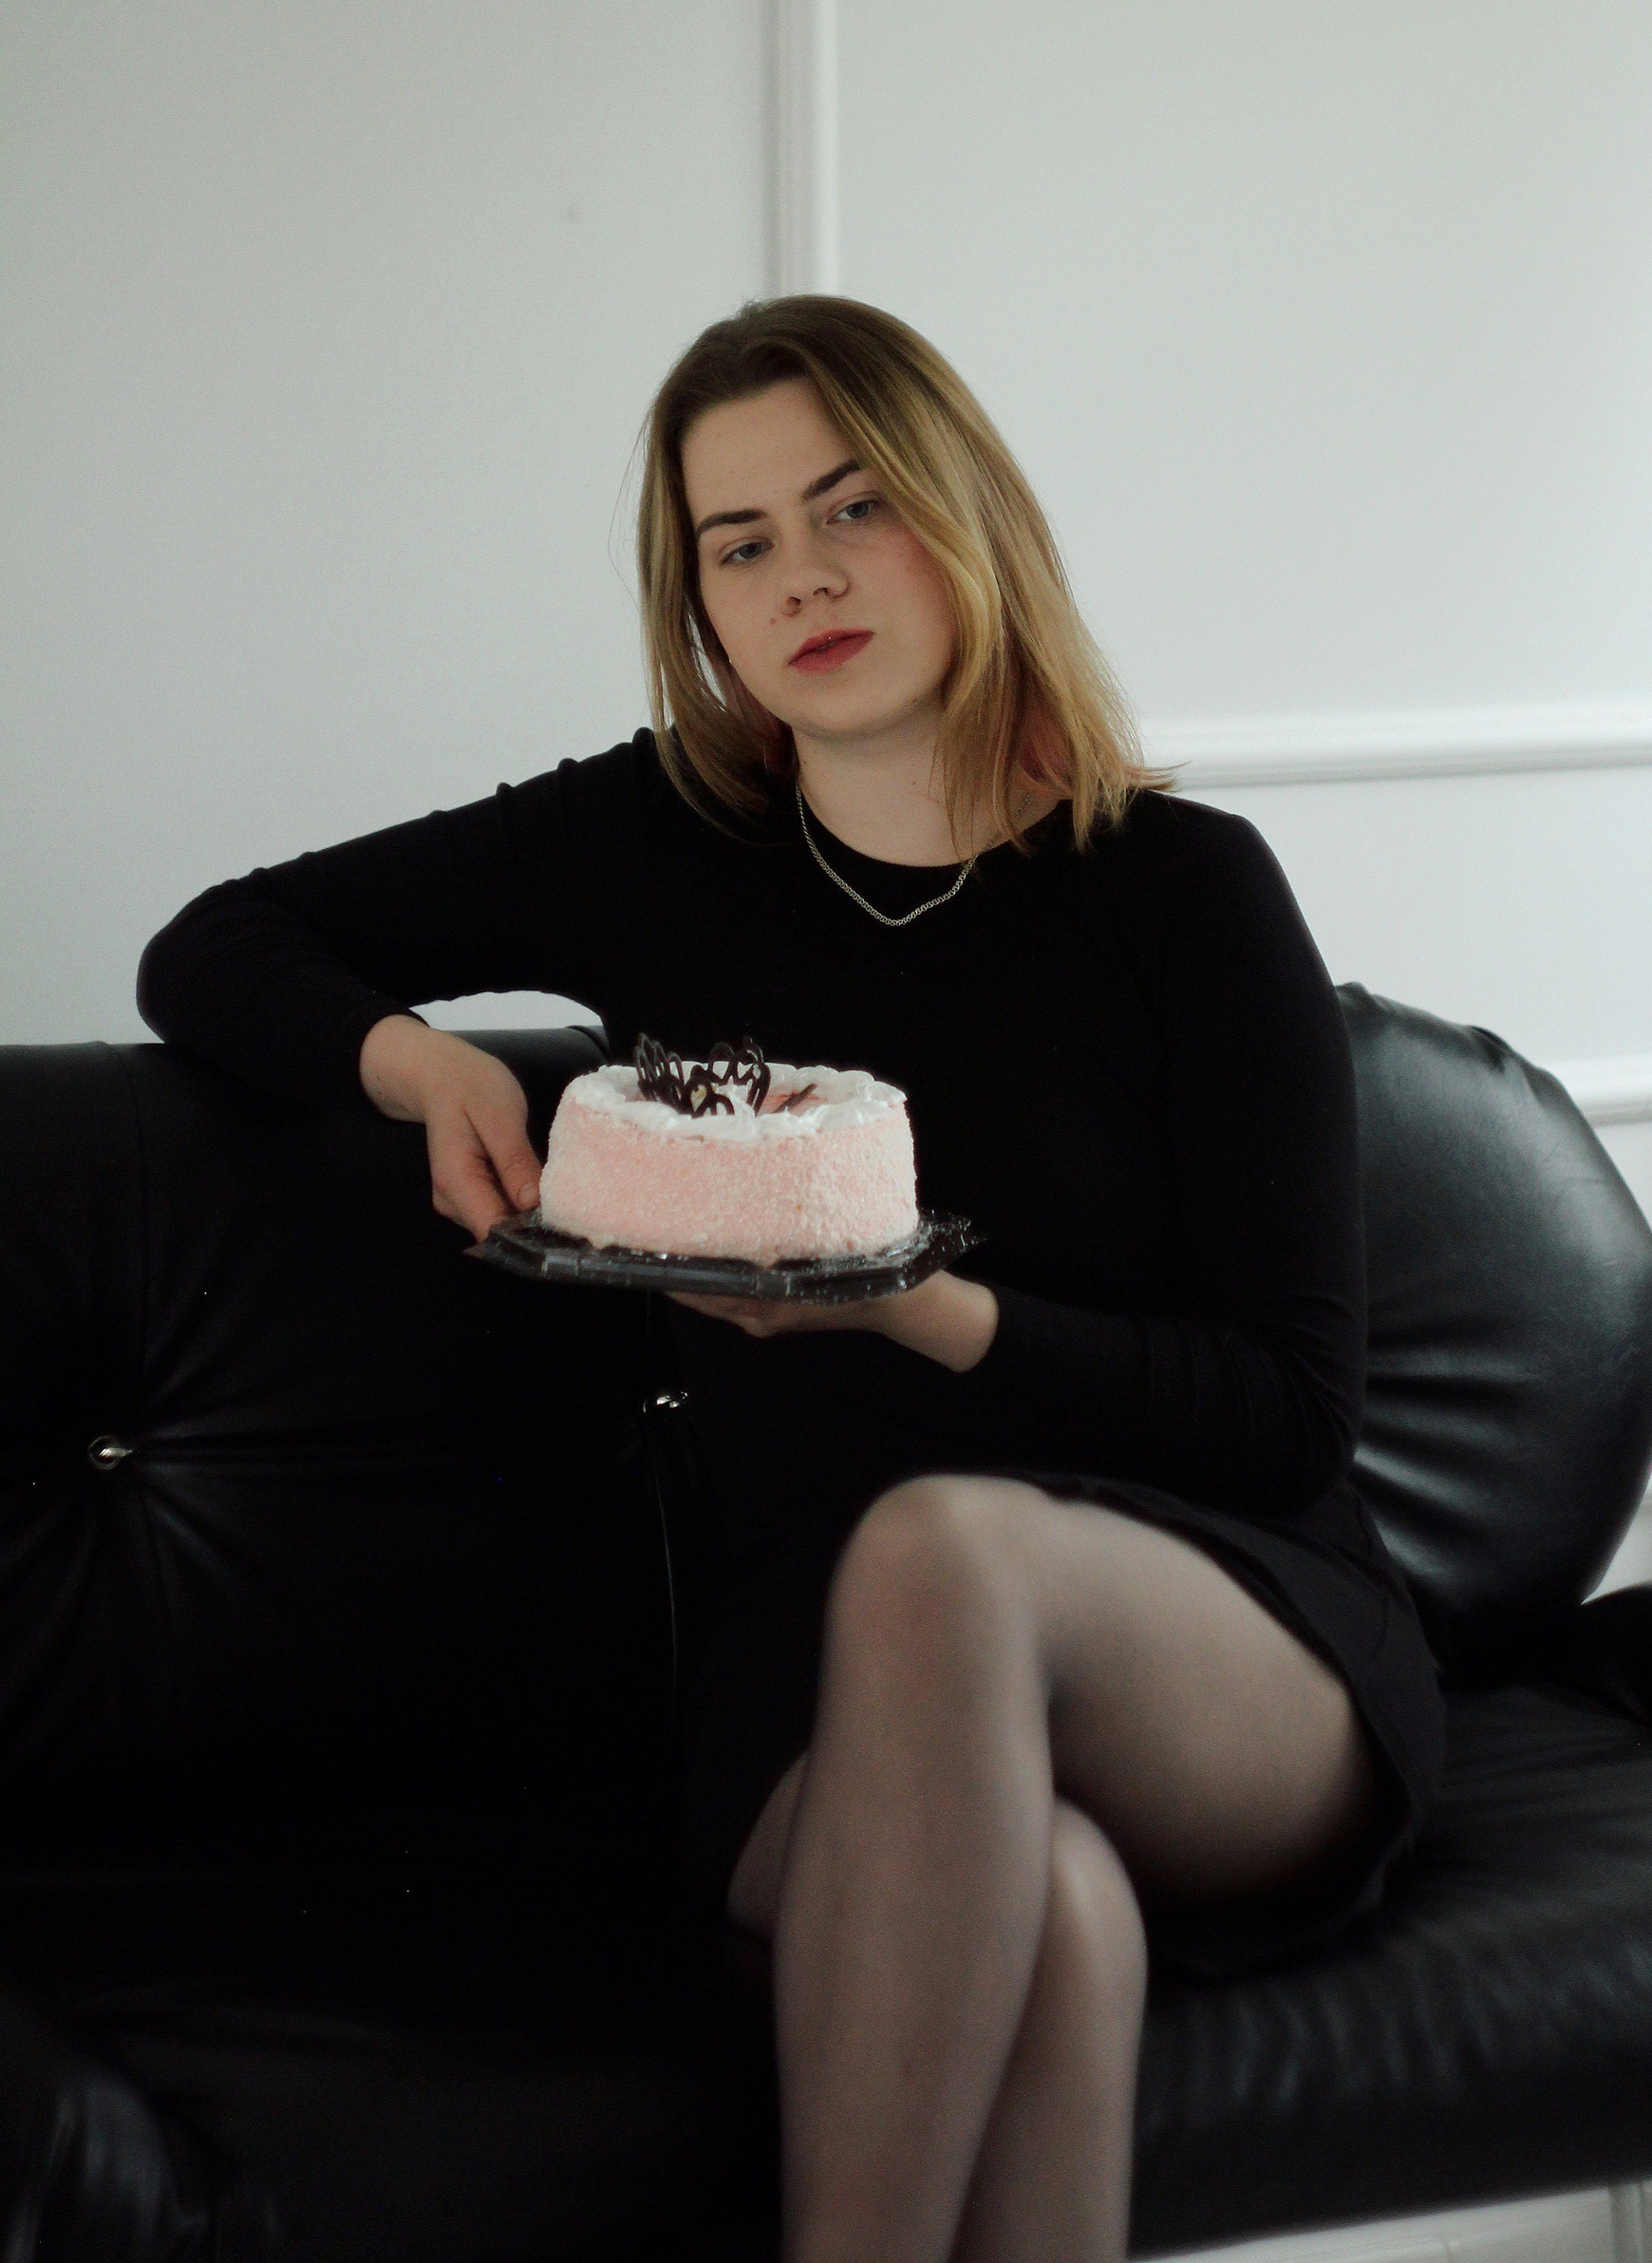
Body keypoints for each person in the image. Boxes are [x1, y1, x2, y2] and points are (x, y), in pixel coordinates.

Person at [139, 293, 1445, 2263]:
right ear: (701, 605)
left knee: (949, 1550)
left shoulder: (1183, 891)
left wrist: (909, 1308)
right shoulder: (654, 839)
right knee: (1057, 1913)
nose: (802, 578)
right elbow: (219, 944)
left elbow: (1286, 1421)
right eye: (738, 544)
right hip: (814, 1668)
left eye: (852, 508)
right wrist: (423, 1066)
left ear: (964, 515)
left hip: (1225, 1635)